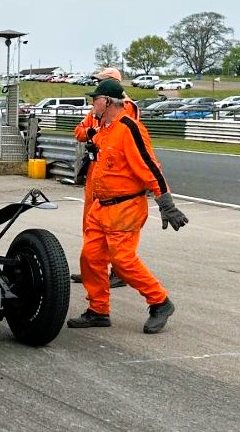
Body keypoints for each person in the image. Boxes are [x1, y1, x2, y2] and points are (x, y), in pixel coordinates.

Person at [66, 78, 187, 333]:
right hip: (101, 207)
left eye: (94, 100)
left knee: (122, 261)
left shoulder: (130, 129)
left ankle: (160, 302)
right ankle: (98, 310)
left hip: (125, 207)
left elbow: (150, 166)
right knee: (90, 257)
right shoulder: (105, 128)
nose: (92, 105)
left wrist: (166, 202)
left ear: (107, 101)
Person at [70, 68, 138, 289]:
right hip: (96, 170)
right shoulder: (97, 107)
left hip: (117, 174)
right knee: (91, 222)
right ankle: (93, 268)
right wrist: (92, 132)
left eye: (100, 82)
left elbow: (120, 133)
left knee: (116, 228)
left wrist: (94, 131)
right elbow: (80, 131)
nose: (96, 86)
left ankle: (119, 271)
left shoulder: (126, 107)